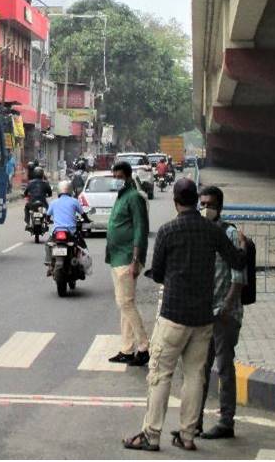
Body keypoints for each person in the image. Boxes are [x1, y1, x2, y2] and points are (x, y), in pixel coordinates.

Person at [123, 178, 245, 452]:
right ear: (195, 201)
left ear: (176, 201)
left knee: (160, 374)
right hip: (202, 318)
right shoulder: (212, 231)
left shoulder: (168, 230)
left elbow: (158, 271)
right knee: (195, 376)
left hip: (173, 315)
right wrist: (243, 246)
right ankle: (188, 435)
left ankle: (152, 434)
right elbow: (237, 260)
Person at [192, 185, 248, 440]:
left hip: (225, 315)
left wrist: (225, 307)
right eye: (202, 204)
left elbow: (239, 277)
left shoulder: (231, 234)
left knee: (224, 367)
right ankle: (195, 421)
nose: (205, 209)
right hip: (204, 313)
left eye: (210, 204)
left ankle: (226, 422)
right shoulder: (200, 232)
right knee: (201, 369)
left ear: (220, 207)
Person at [106, 161, 150, 367]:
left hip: (127, 259)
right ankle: (127, 348)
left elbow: (140, 230)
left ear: (128, 177)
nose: (116, 181)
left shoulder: (134, 198)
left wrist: (135, 260)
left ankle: (143, 347)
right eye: (114, 177)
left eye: (119, 177)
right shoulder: (121, 196)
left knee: (126, 303)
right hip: (116, 257)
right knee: (122, 303)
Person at [44, 180, 89, 271]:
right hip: (71, 231)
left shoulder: (54, 202)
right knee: (81, 245)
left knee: (48, 244)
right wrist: (87, 220)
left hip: (57, 231)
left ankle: (49, 263)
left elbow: (47, 216)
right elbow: (83, 214)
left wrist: (47, 221)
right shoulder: (74, 201)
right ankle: (80, 263)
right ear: (70, 190)